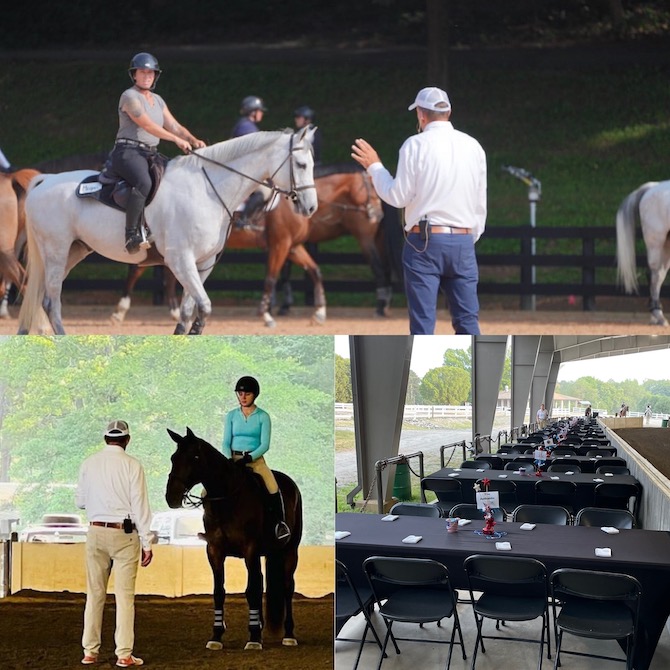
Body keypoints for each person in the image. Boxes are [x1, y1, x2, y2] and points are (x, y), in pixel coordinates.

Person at [351, 86, 487, 335]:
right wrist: (468, 238)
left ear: (421, 115)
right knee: (468, 321)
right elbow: (480, 203)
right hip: (463, 241)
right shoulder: (474, 146)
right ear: (449, 112)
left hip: (424, 241)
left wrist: (375, 167)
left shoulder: (414, 145)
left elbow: (398, 196)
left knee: (423, 325)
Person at [76, 420, 154, 667]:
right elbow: (140, 505)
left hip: (96, 531)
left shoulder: (88, 463)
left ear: (105, 438)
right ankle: (123, 654)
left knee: (95, 594)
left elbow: (80, 501)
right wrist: (147, 542)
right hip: (124, 534)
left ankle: (90, 651)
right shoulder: (133, 465)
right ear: (127, 440)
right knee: (124, 597)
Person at [110, 52, 206, 254]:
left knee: (174, 179)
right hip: (127, 152)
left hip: (149, 153)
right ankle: (131, 235)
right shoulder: (129, 97)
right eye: (142, 72)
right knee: (144, 182)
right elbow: (148, 125)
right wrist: (175, 140)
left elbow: (174, 126)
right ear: (134, 75)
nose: (147, 76)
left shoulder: (158, 100)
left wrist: (192, 139)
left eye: (151, 73)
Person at [221, 376, 290, 543]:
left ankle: (280, 525)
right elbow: (225, 441)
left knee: (273, 487)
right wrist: (229, 459)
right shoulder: (231, 416)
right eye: (240, 393)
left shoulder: (263, 417)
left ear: (254, 395)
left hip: (255, 459)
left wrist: (249, 457)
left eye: (247, 393)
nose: (243, 397)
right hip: (233, 459)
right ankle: (212, 527)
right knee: (206, 491)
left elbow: (265, 444)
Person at [231, 96, 268, 226]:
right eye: (260, 111)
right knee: (264, 191)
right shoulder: (247, 128)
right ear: (253, 112)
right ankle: (243, 220)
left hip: (244, 169)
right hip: (241, 171)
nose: (261, 113)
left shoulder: (246, 126)